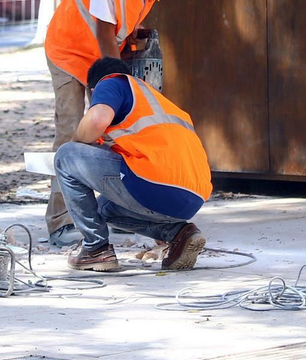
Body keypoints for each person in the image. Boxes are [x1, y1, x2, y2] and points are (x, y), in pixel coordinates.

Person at [42, 0, 187, 245]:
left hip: (98, 54)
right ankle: (60, 221)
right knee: (72, 130)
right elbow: (104, 32)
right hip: (69, 52)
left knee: (114, 132)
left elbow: (122, 17)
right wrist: (120, 86)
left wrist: (133, 32)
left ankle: (115, 210)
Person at [53, 56, 211, 272]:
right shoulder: (153, 99)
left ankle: (95, 249)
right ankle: (179, 233)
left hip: (156, 184)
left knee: (65, 156)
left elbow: (97, 120)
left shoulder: (111, 82)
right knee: (104, 210)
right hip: (192, 198)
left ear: (93, 88)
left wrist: (75, 144)